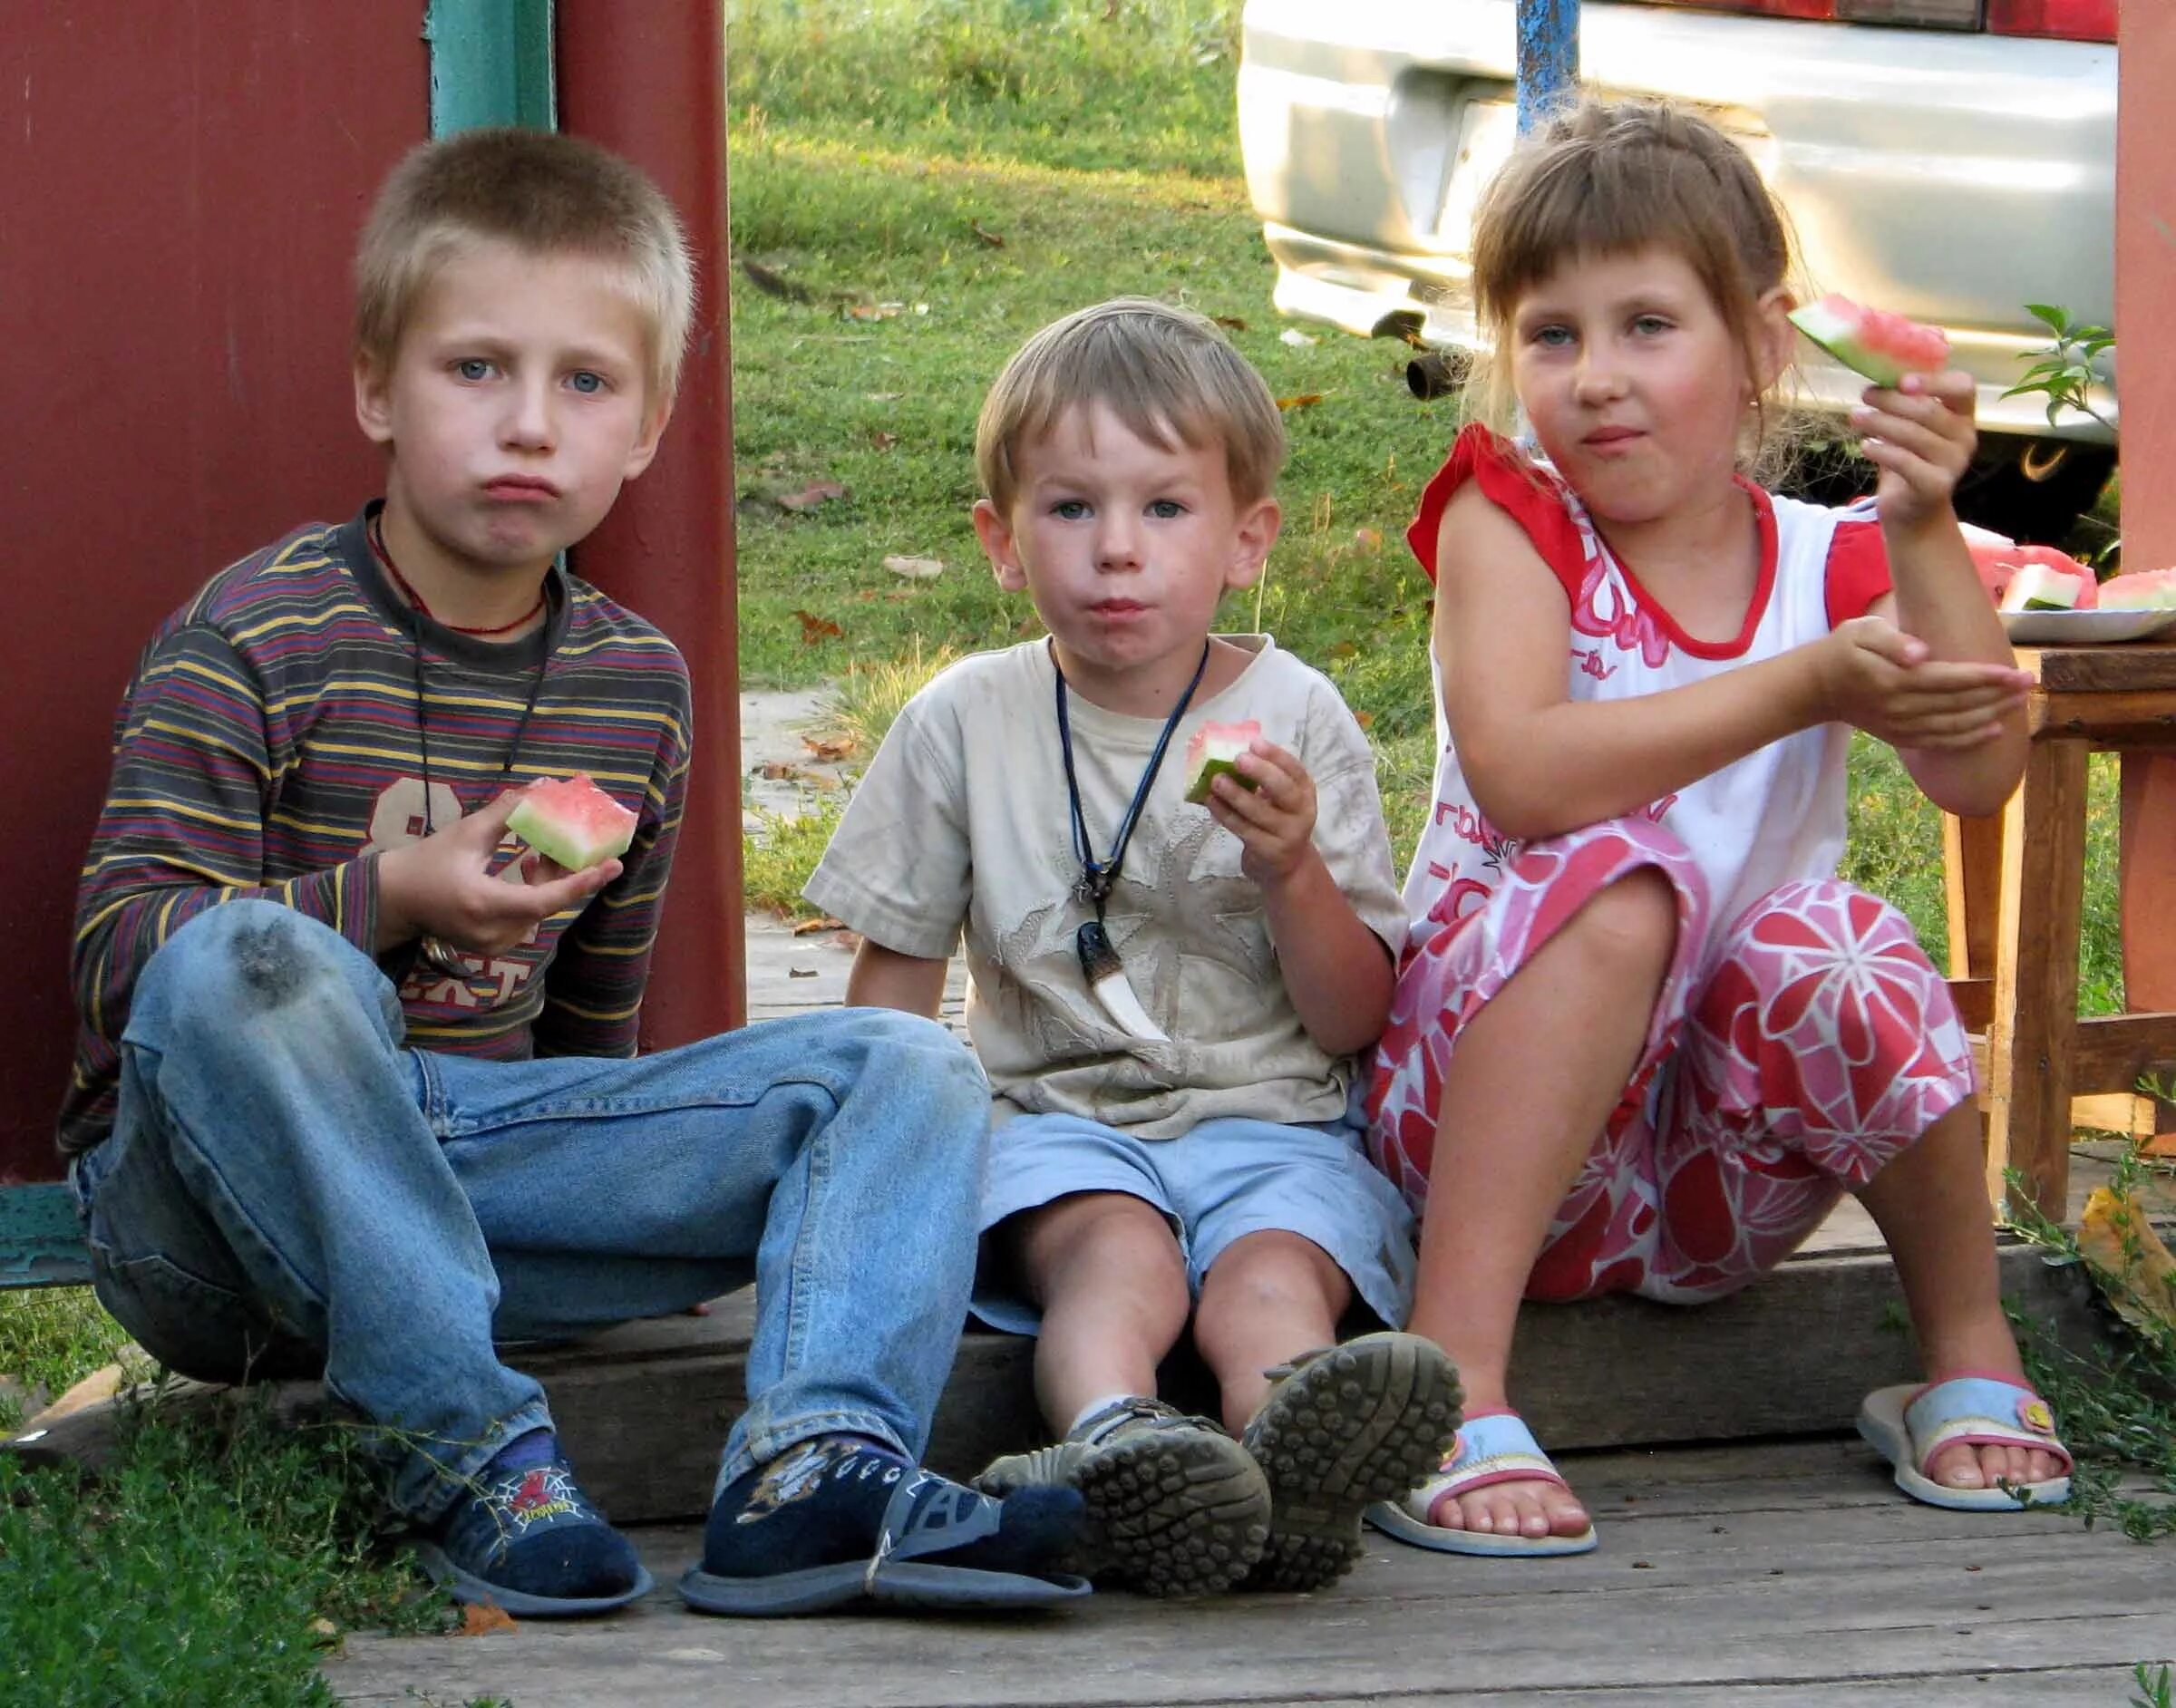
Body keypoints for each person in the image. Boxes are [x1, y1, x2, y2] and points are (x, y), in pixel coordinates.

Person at [60, 127, 1085, 1621]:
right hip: (206, 1217)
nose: (528, 426)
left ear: (650, 424)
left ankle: (819, 1465)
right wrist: (395, 898)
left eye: (585, 383)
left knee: (906, 1070)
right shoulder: (252, 641)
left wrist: (624, 1160)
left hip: (477, 1189)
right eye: (475, 369)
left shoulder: (636, 687)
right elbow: (121, 960)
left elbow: (593, 1048)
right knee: (245, 963)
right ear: (375, 391)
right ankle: (472, 1450)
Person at [1362, 100, 2075, 1559]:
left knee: (1847, 941)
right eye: (1552, 336)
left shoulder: (1831, 559)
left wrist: (1929, 524)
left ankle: (1967, 1347)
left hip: (1711, 1187)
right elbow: (1524, 777)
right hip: (1481, 1137)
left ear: (1758, 346)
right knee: (1624, 881)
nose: (1597, 381)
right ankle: (1450, 1379)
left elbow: (1979, 773)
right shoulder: (1519, 519)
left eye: (1647, 327)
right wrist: (1800, 685)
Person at [805, 298, 1462, 1598]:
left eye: (1165, 509)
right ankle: (1113, 1444)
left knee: (1272, 1273)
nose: (1117, 553)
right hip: (1060, 1125)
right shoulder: (964, 722)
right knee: (1116, 1255)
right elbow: (891, 984)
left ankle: (1286, 1451)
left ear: (1244, 539)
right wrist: (885, 1164)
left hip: (1276, 1119)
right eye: (1070, 509)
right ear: (999, 540)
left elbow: (1349, 1018)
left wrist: (1291, 871)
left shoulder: (1297, 716)